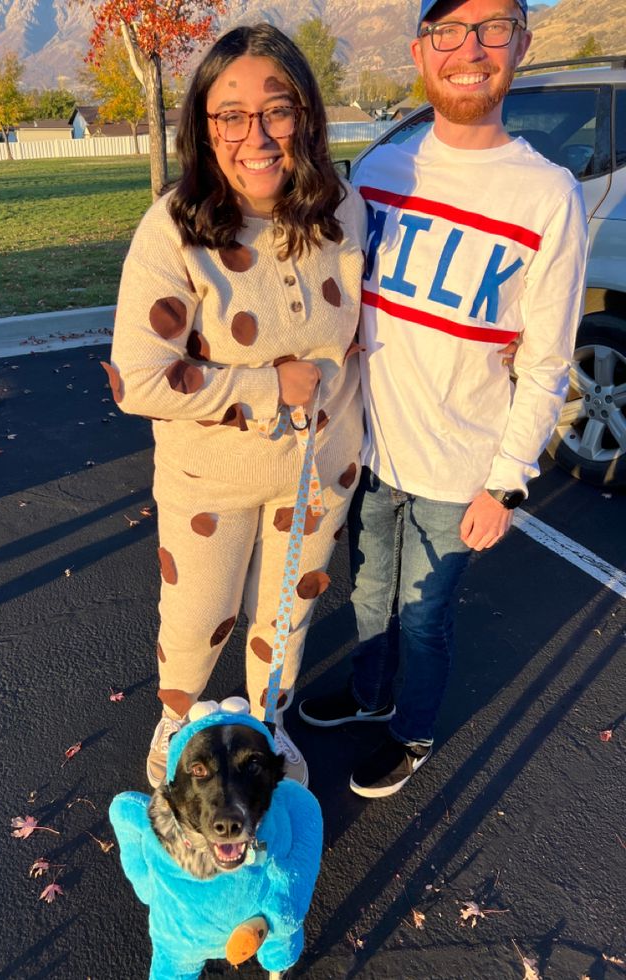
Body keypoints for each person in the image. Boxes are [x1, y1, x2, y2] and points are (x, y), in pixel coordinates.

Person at [299, 0, 588, 798]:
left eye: (493, 27)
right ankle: (367, 692)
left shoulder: (546, 195)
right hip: (372, 448)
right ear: (421, 53)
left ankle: (412, 730)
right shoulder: (384, 171)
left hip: (458, 467)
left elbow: (548, 359)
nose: (471, 48)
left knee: (423, 617)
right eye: (449, 31)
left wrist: (505, 481)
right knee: (366, 592)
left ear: (520, 45)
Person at [103, 23, 366, 789]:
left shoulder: (344, 211)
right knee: (197, 622)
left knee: (284, 621)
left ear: (306, 117)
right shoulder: (175, 228)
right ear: (204, 126)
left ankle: (267, 724)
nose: (256, 134)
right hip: (209, 480)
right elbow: (138, 379)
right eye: (231, 115)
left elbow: (365, 328)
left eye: (276, 109)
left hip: (318, 468)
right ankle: (178, 724)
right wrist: (263, 384)